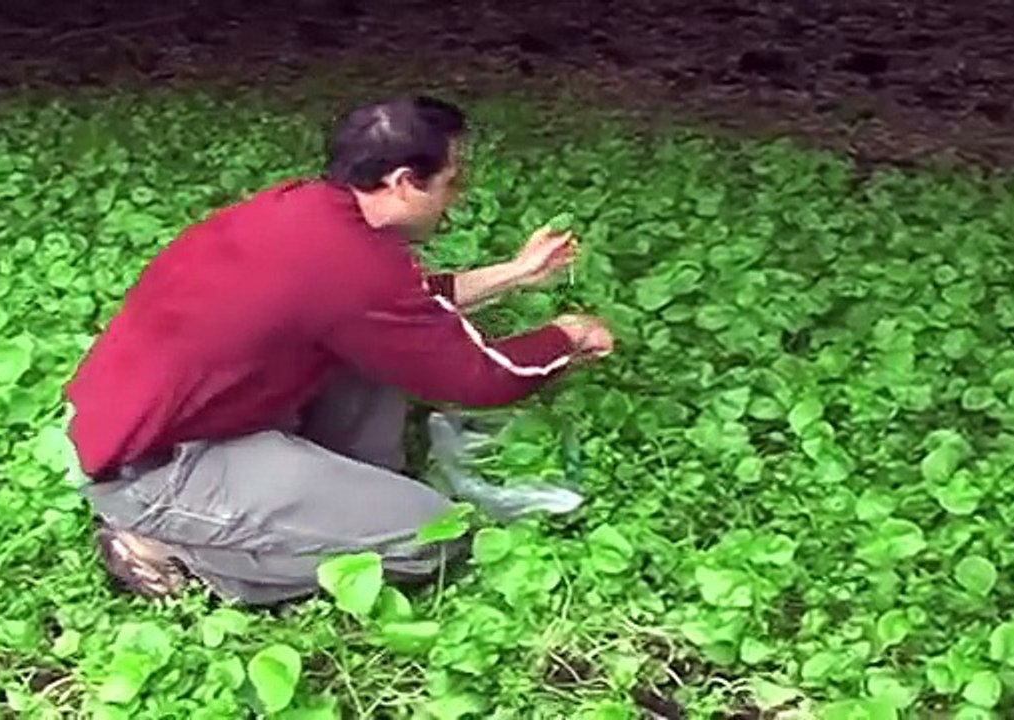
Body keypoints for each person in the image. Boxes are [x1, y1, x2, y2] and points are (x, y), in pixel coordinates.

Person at [64, 95, 614, 606]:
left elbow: (398, 307)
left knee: (378, 368)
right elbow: (479, 377)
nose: (458, 195)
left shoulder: (311, 212)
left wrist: (513, 274)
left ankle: (340, 496)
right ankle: (162, 546)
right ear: (403, 183)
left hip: (180, 420)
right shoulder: (348, 263)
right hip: (157, 468)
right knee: (436, 536)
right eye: (451, 181)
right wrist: (565, 337)